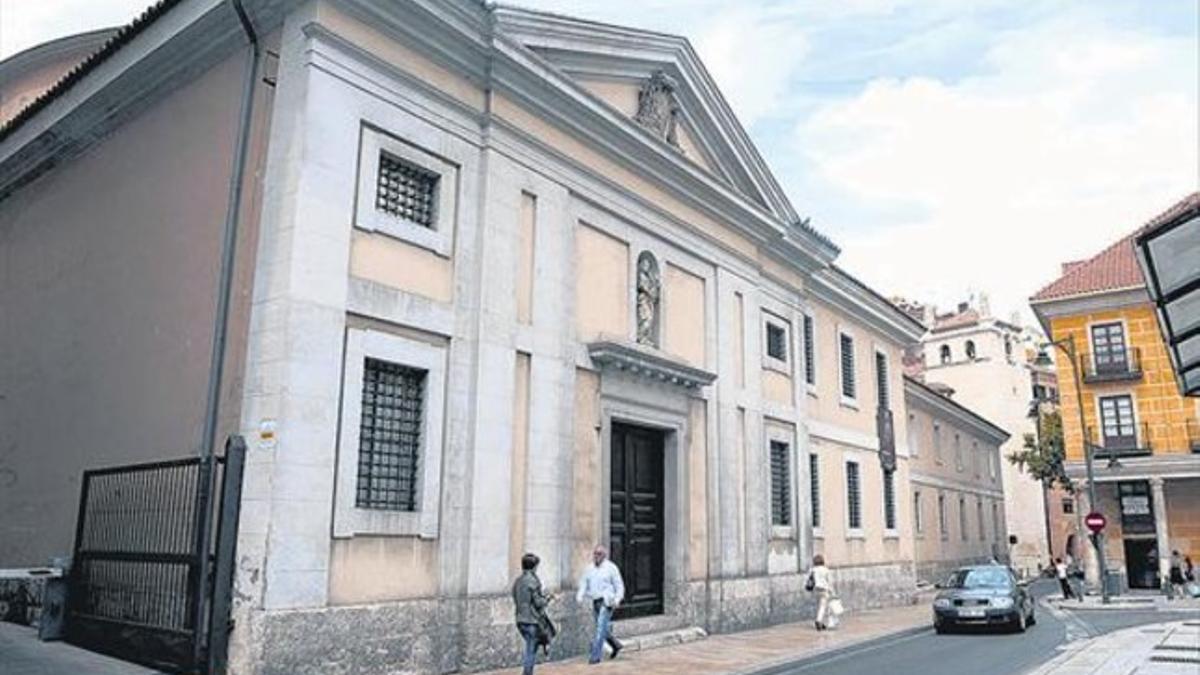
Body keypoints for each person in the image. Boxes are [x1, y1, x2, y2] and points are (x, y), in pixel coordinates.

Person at [576, 545, 624, 664]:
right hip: (595, 601)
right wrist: (580, 596)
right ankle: (616, 645)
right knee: (602, 628)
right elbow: (584, 583)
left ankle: (595, 656)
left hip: (607, 601)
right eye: (595, 554)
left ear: (604, 555)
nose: (596, 556)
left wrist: (617, 599)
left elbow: (619, 585)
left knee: (600, 629)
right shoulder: (589, 569)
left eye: (599, 554)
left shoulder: (611, 568)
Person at [512, 552, 552, 675]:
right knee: (531, 648)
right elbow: (538, 603)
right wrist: (548, 598)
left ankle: (545, 644)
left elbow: (516, 597)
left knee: (532, 645)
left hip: (520, 619)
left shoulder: (518, 581)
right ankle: (527, 672)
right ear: (534, 567)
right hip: (532, 620)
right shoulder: (533, 581)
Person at [809, 554, 835, 630]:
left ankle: (821, 621)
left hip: (816, 590)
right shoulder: (825, 570)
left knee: (820, 606)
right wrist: (832, 591)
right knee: (825, 606)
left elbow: (810, 579)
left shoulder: (812, 570)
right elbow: (830, 581)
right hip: (824, 589)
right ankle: (820, 621)